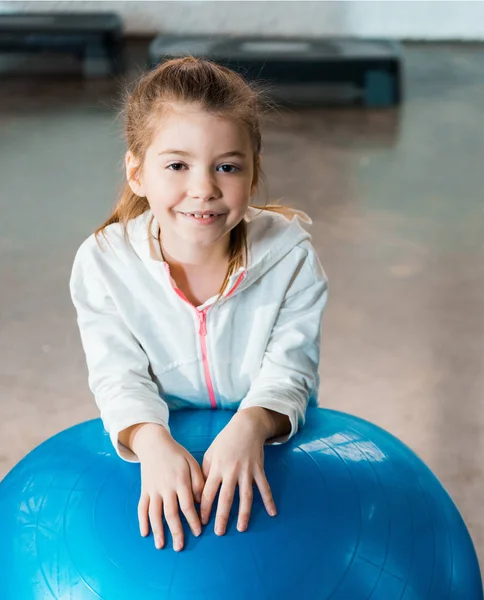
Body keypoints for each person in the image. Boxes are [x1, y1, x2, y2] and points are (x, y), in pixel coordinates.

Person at [69, 57, 328, 552]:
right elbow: (117, 373)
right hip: (159, 438)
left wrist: (251, 426)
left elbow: (291, 368)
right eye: (177, 165)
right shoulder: (103, 261)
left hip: (268, 434)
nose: (204, 188)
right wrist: (150, 443)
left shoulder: (291, 256)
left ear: (253, 175)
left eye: (227, 166)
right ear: (137, 172)